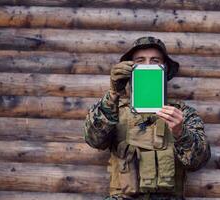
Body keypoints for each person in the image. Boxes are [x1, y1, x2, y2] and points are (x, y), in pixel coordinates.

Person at [83, 36, 211, 200]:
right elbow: (94, 140)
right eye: (140, 61)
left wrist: (181, 132)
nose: (148, 66)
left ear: (165, 68)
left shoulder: (180, 113)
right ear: (129, 68)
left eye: (155, 60)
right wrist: (113, 93)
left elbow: (198, 161)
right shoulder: (113, 108)